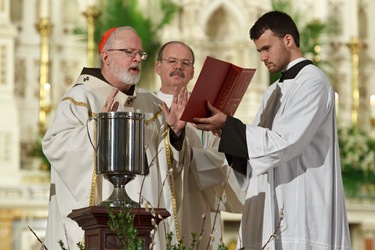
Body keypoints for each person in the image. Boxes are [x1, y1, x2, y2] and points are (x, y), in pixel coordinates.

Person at [194, 11, 352, 249]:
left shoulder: (313, 83)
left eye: (266, 48)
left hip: (302, 207)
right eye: (259, 51)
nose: (262, 57)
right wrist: (226, 134)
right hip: (271, 206)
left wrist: (229, 126)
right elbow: (259, 149)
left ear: (288, 40)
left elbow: (284, 143)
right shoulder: (273, 91)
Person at [42, 26, 191, 249]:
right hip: (97, 226)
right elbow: (54, 147)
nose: (137, 58)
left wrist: (176, 134)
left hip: (144, 225)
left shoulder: (151, 105)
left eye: (140, 54)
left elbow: (168, 171)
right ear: (106, 57)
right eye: (129, 52)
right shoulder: (81, 98)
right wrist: (97, 127)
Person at [152, 41, 244, 249]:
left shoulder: (208, 110)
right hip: (158, 200)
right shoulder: (146, 107)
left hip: (198, 205)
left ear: (193, 72)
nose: (179, 67)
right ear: (158, 67)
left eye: (185, 63)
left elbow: (225, 160)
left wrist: (191, 156)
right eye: (171, 61)